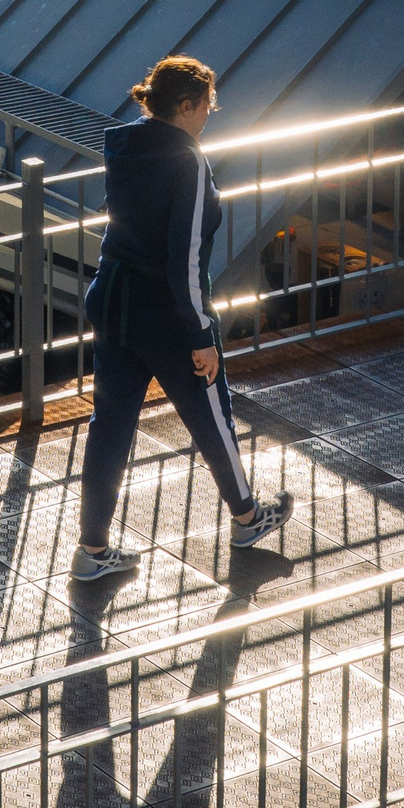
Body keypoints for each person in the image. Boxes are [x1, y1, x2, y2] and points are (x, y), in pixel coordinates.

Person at [72, 54, 293, 582]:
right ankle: (247, 518)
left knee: (110, 425)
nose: (211, 113)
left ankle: (92, 550)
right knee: (211, 412)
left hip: (112, 296)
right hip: (165, 313)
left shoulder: (124, 142)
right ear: (187, 105)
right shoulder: (188, 161)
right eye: (208, 104)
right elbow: (185, 259)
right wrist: (200, 334)